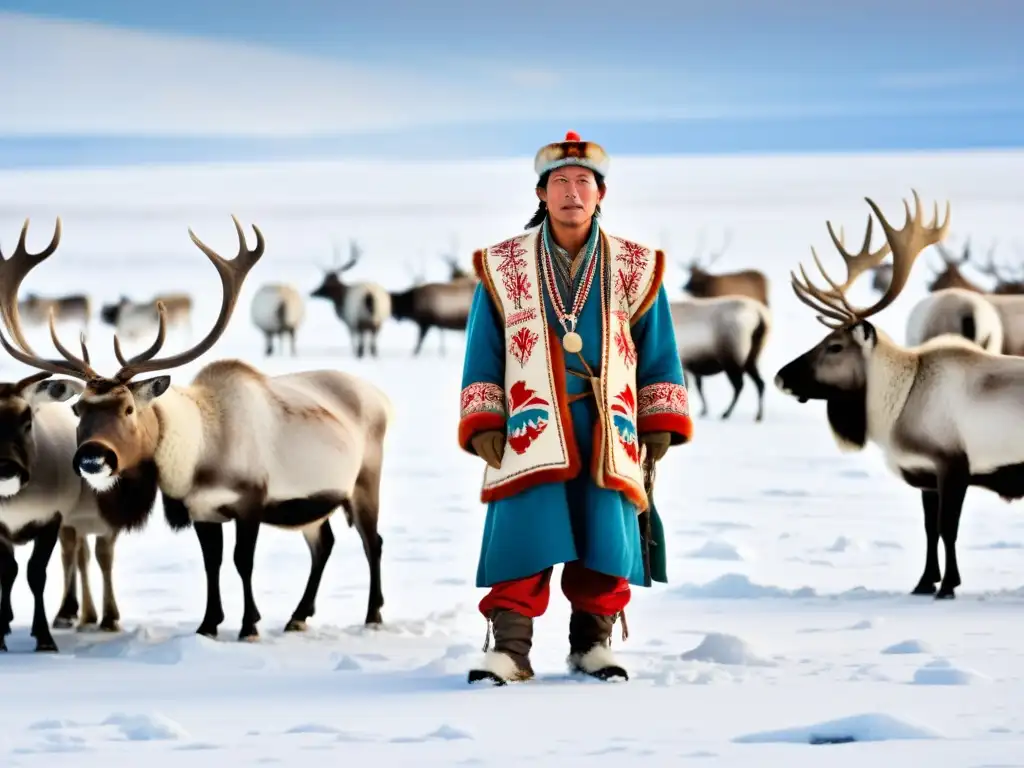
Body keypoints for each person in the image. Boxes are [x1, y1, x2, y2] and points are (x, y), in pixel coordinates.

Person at [457, 130, 692, 685]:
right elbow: (482, 349)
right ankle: (510, 650)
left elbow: (658, 349)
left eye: (582, 182)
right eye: (559, 182)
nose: (571, 192)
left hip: (610, 425)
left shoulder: (635, 266)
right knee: (523, 535)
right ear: (541, 194)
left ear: (600, 194)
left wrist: (659, 420)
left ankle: (593, 645)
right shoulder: (503, 265)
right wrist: (485, 418)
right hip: (529, 421)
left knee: (604, 535)